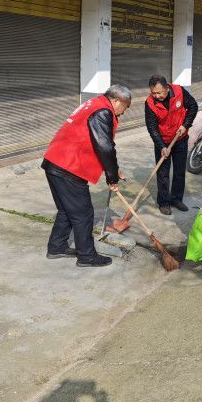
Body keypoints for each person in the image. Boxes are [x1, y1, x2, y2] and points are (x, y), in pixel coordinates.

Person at [41, 84, 131, 267]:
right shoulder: (103, 112)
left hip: (55, 162)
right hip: (68, 166)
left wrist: (114, 169)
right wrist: (111, 177)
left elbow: (97, 145)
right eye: (125, 107)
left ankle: (57, 247)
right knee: (83, 213)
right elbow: (105, 146)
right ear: (116, 101)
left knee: (67, 210)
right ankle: (87, 256)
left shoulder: (94, 103)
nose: (123, 112)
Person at [144, 75, 198, 215]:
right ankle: (164, 202)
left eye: (159, 92)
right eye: (153, 93)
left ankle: (176, 199)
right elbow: (152, 127)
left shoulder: (179, 91)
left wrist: (186, 125)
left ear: (167, 88)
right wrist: (161, 146)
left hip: (180, 138)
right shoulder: (149, 103)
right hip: (162, 140)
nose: (156, 96)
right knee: (163, 173)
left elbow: (193, 106)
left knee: (179, 171)